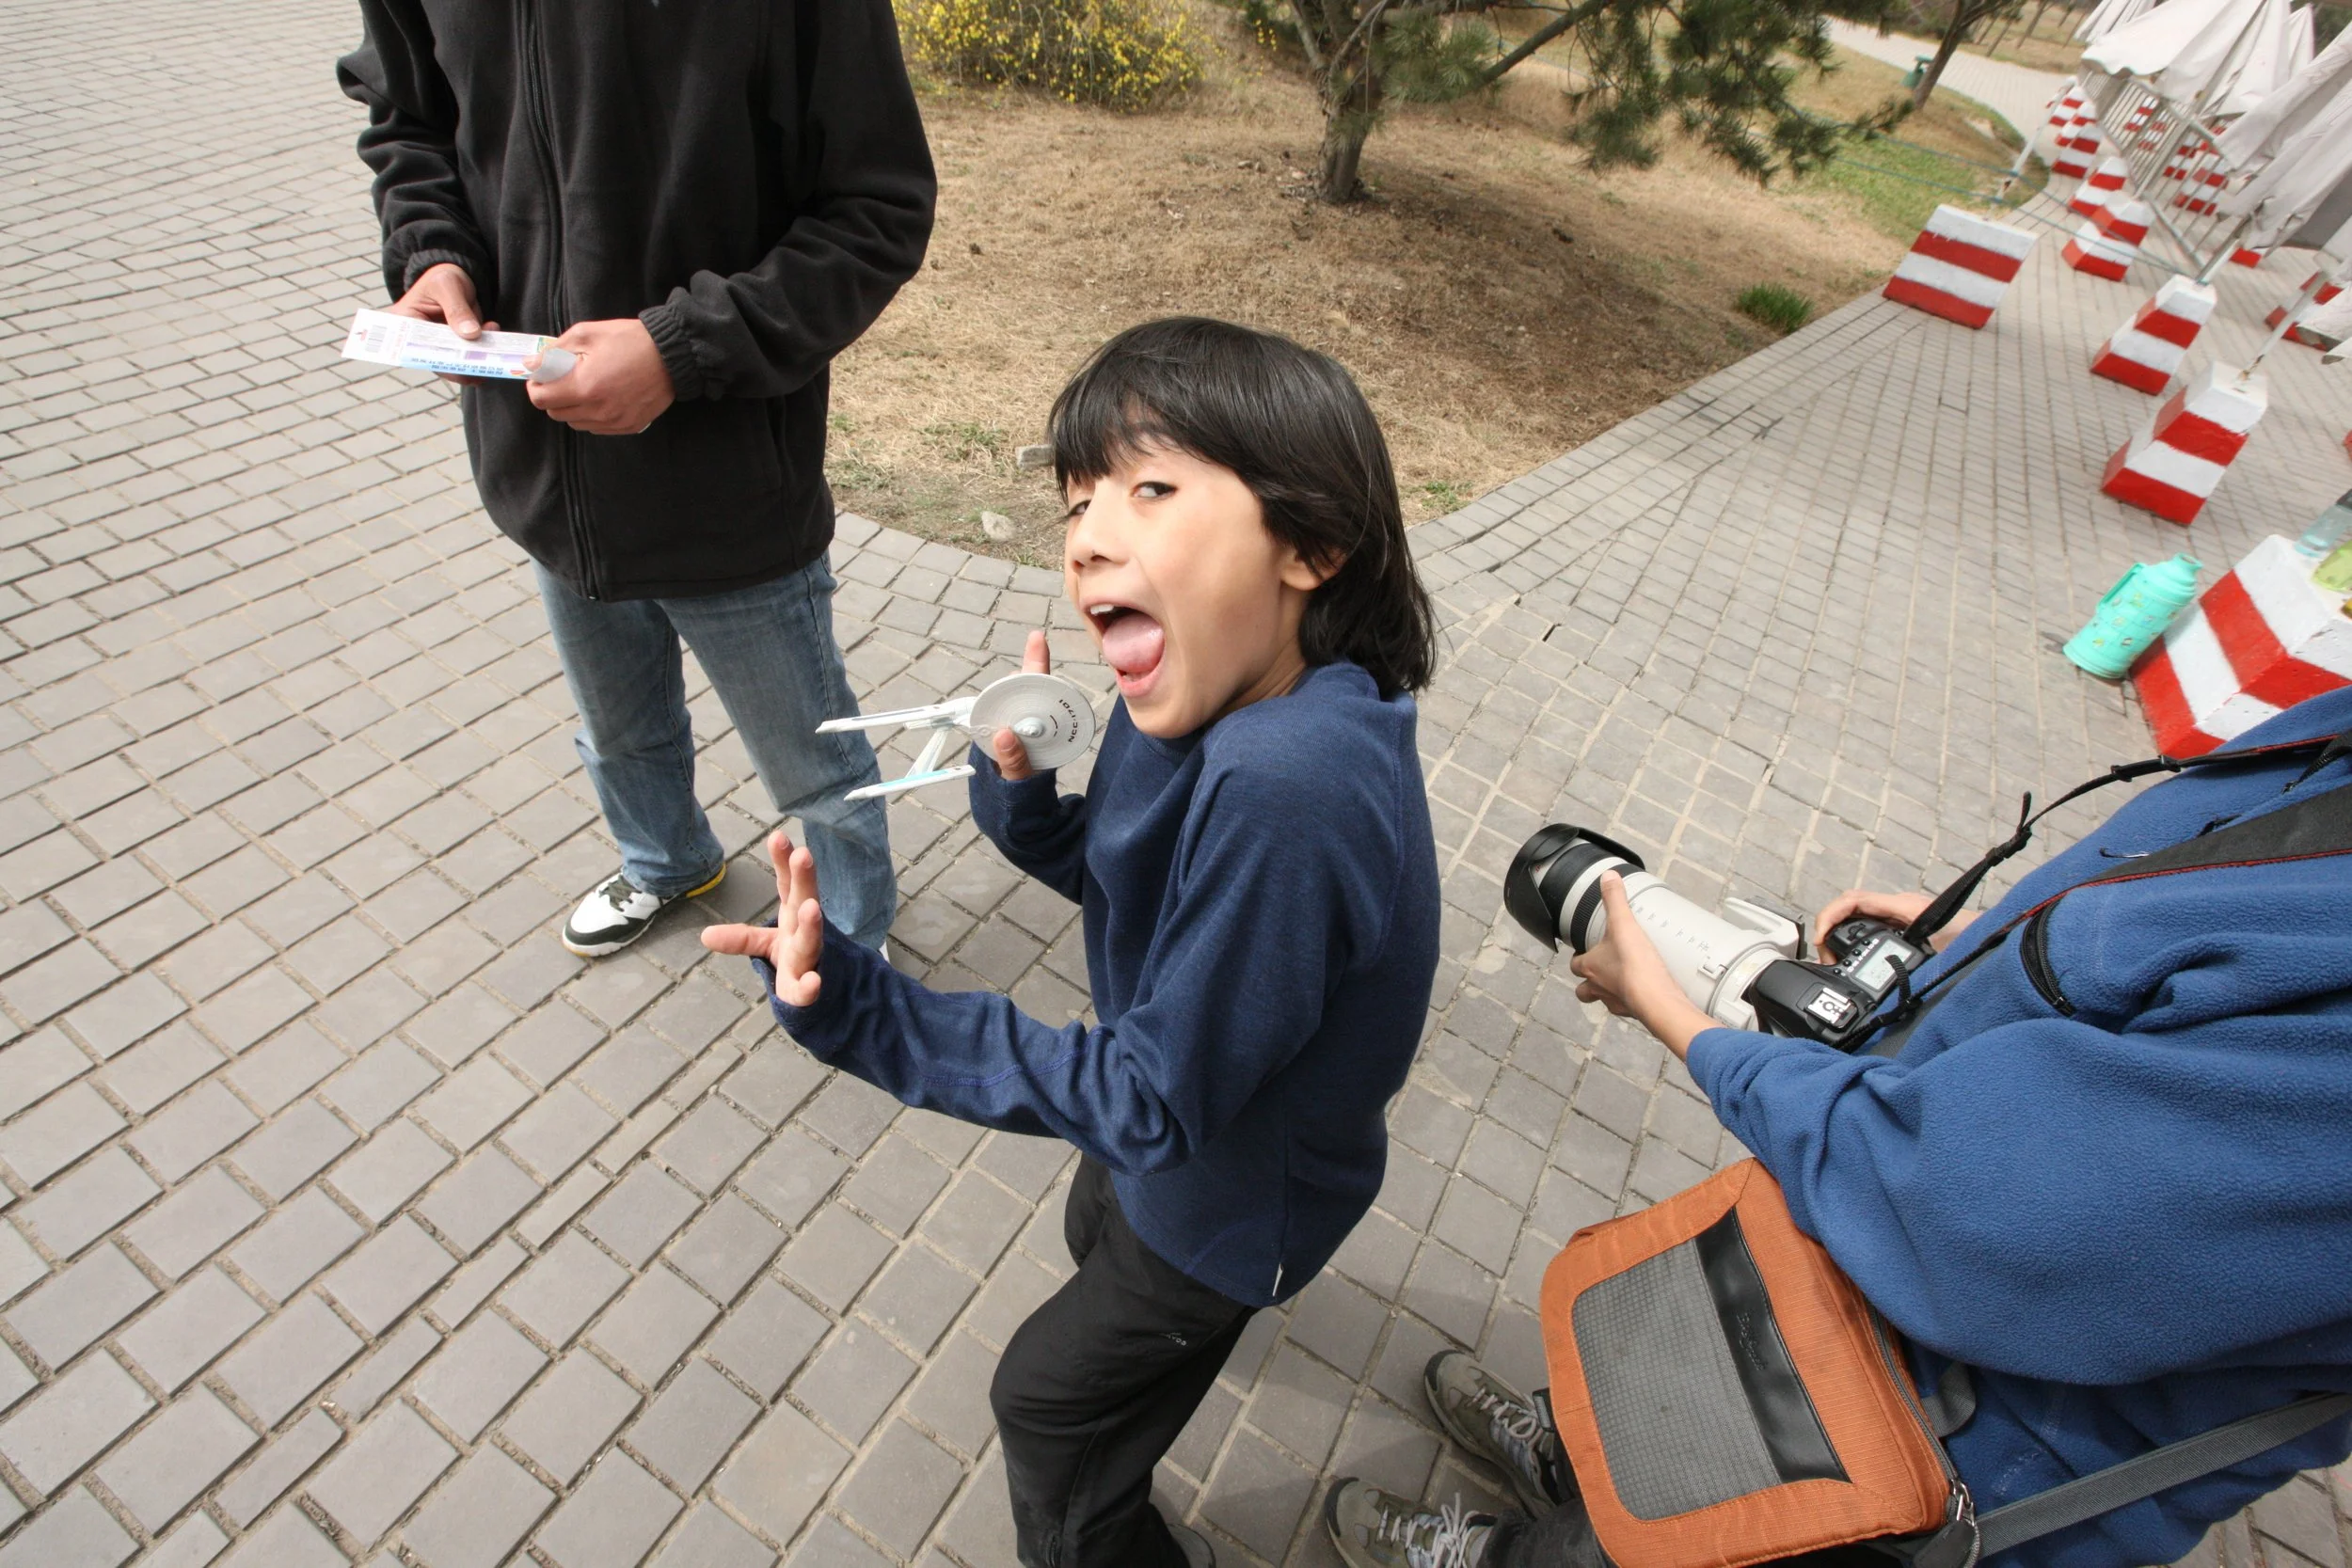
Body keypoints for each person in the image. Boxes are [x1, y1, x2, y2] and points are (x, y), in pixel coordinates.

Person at [704, 318, 1444, 1568]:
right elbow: (1148, 884)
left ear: (1312, 543)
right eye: (1079, 498)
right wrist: (1031, 803)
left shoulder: (1289, 779)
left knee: (1046, 1395)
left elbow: (1151, 1094)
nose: (1090, 534)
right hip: (1183, 1119)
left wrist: (872, 1011)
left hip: (1233, 1181)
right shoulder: (1244, 691)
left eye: (1151, 488)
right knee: (1099, 1225)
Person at [1326, 686, 2352, 1568]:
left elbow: (1967, 1211)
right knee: (1653, 1413)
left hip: (1955, 1431)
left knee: (1693, 1530)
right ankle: (1569, 1458)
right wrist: (1982, 946)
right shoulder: (2333, 727)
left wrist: (1684, 1022)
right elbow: (2180, 937)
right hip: (1834, 1271)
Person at [337, 0, 934, 957]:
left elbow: (877, 210)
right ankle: (667, 860)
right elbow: (412, 122)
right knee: (619, 729)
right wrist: (432, 251)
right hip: (548, 480)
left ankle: (850, 943)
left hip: (727, 486)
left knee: (811, 766)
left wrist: (680, 351)